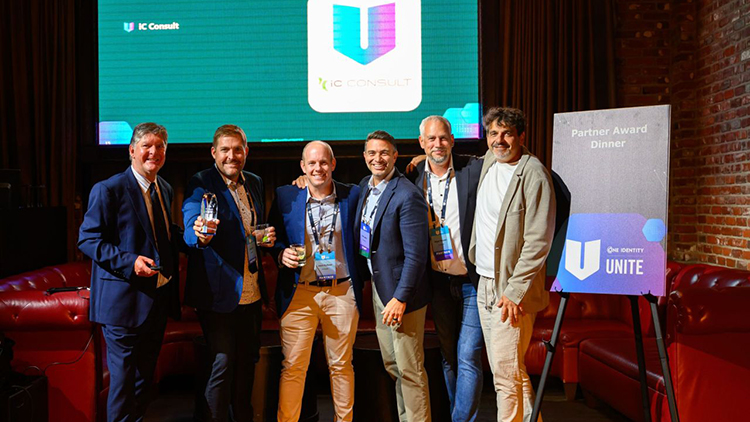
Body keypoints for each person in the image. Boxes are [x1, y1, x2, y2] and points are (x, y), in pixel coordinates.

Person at [78, 122, 182, 422]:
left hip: (156, 300)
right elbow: (87, 240)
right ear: (132, 150)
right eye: (147, 145)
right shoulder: (108, 189)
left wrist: (194, 237)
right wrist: (130, 262)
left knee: (143, 383)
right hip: (122, 303)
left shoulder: (164, 188)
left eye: (160, 146)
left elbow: (162, 236)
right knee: (123, 385)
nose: (154, 152)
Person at [182, 124, 274, 422]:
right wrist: (200, 234)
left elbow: (250, 231)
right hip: (218, 294)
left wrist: (262, 238)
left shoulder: (255, 182)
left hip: (252, 292)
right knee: (221, 366)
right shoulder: (201, 182)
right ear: (214, 152)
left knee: (247, 364)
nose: (231, 156)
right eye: (225, 150)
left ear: (246, 151)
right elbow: (192, 226)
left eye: (237, 149)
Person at [469, 107, 555, 422]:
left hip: (512, 291)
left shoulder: (534, 174)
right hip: (485, 282)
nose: (499, 140)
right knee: (509, 368)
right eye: (494, 133)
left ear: (521, 136)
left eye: (507, 133)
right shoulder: (490, 161)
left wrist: (515, 292)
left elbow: (538, 242)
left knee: (504, 376)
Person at [269, 141, 362, 422]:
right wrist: (280, 253)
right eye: (311, 163)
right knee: (293, 367)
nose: (318, 168)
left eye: (323, 162)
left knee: (341, 366)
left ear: (333, 164)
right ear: (302, 167)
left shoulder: (353, 195)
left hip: (341, 292)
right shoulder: (286, 196)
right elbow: (274, 238)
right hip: (299, 294)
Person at [405, 116, 484, 422]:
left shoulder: (472, 169)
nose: (437, 144)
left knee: (468, 355)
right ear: (421, 143)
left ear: (452, 140)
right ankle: (456, 414)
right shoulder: (412, 176)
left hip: (472, 281)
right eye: (431, 139)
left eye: (443, 138)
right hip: (437, 283)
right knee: (449, 356)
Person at [355, 130, 432, 422]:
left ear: (395, 156)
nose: (378, 159)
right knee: (393, 365)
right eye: (372, 153)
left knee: (410, 369)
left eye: (384, 153)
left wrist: (401, 298)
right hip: (381, 289)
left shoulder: (407, 195)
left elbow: (416, 256)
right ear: (365, 157)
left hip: (402, 297)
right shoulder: (365, 186)